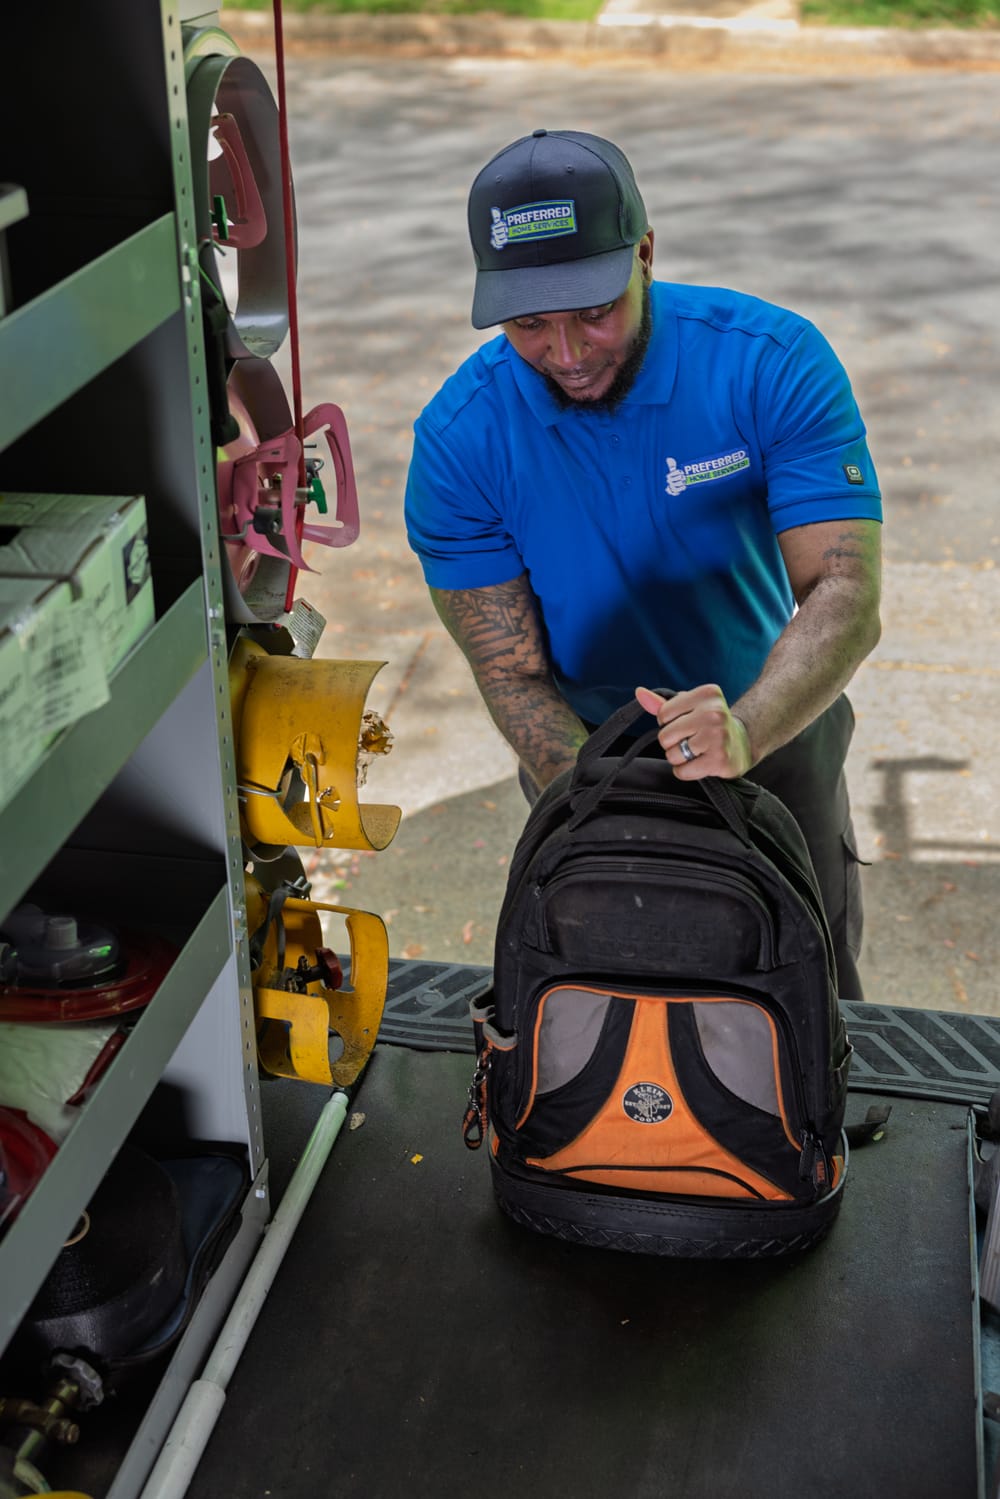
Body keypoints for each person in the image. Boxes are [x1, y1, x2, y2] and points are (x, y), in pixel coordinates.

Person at [404, 129, 882, 1002]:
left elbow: (843, 591)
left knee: (807, 984)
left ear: (647, 254)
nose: (569, 350)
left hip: (774, 725)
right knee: (609, 993)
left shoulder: (770, 362)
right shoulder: (459, 439)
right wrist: (594, 792)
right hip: (582, 754)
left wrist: (746, 727)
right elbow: (510, 672)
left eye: (594, 308)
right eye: (528, 323)